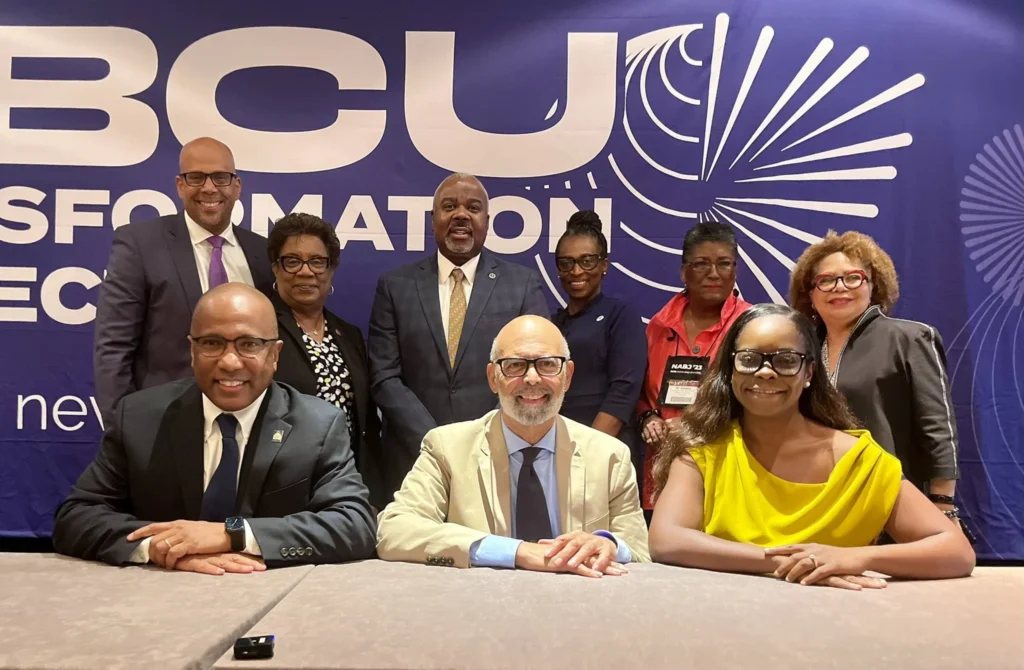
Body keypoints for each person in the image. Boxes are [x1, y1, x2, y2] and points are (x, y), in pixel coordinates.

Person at [54, 284, 376, 573]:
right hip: (155, 601)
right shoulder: (140, 417)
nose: (230, 362)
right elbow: (76, 517)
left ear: (274, 354)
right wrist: (163, 548)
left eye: (249, 344)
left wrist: (231, 534)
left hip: (270, 603)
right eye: (212, 343)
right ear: (192, 350)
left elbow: (354, 524)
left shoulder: (317, 424)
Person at [649, 304, 974, 590]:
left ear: (809, 373)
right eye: (749, 359)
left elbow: (955, 552)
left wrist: (853, 558)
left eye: (786, 360)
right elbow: (666, 539)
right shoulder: (702, 451)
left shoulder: (858, 461)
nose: (765, 371)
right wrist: (790, 562)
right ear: (730, 371)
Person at [376, 315, 650, 575]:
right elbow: (395, 530)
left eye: (547, 364)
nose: (532, 378)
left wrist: (609, 544)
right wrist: (518, 552)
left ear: (567, 375)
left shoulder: (610, 456)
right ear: (493, 378)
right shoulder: (447, 448)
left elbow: (638, 550)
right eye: (515, 365)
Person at [368, 173, 549, 496]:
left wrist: (479, 439)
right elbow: (384, 376)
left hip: (497, 454)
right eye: (449, 206)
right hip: (414, 458)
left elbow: (532, 372)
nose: (461, 215)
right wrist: (437, 441)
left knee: (494, 547)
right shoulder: (395, 286)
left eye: (473, 207)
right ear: (433, 218)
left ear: (487, 221)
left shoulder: (522, 285)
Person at [93, 137, 274, 427]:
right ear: (180, 185)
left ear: (236, 186)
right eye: (196, 177)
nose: (209, 187)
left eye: (220, 177)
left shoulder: (264, 254)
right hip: (164, 424)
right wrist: (123, 432)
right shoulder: (141, 244)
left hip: (251, 424)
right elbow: (114, 348)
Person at [789, 230, 960, 513]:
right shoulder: (799, 349)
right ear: (810, 293)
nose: (839, 287)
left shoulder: (910, 338)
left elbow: (938, 429)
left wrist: (943, 503)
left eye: (853, 277)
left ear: (873, 285)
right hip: (814, 500)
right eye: (826, 280)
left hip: (891, 499)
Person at [267, 213, 386, 509]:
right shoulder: (260, 330)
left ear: (331, 270)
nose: (305, 272)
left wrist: (370, 493)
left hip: (346, 485)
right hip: (281, 487)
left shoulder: (350, 335)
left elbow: (366, 424)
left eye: (317, 261)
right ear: (276, 268)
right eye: (292, 261)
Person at [636, 222, 751, 514]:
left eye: (724, 263)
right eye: (702, 264)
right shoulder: (659, 326)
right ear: (684, 272)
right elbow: (639, 391)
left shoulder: (752, 326)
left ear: (735, 270)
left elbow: (762, 401)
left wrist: (698, 424)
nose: (714, 273)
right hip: (662, 472)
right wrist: (648, 418)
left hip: (730, 470)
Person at [551, 210, 647, 477]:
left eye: (587, 261)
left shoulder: (621, 314)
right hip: (557, 451)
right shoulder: (552, 324)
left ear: (604, 265)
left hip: (604, 452)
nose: (576, 271)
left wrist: (585, 454)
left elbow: (623, 392)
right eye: (566, 263)